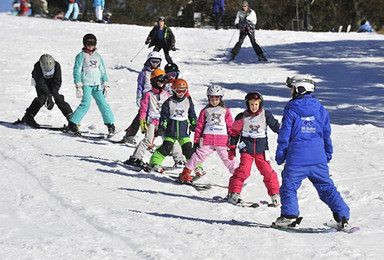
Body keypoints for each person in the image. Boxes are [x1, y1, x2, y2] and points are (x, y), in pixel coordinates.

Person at [274, 75, 351, 231]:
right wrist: (327, 153)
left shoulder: (291, 109)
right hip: (318, 157)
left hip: (297, 158)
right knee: (326, 187)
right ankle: (342, 216)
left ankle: (289, 216)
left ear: (300, 90)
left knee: (289, 186)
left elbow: (284, 135)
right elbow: (326, 134)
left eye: (293, 88)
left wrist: (281, 155)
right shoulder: (320, 109)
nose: (291, 91)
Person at [226, 92, 280, 206]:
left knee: (268, 172)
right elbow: (234, 133)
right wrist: (232, 148)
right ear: (247, 104)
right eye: (251, 104)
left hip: (261, 149)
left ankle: (275, 194)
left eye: (256, 104)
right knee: (243, 171)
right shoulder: (242, 117)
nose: (254, 107)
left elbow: (276, 127)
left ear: (260, 104)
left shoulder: (266, 115)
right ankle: (233, 193)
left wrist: (287, 134)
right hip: (246, 149)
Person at [124, 69, 184, 167]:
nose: (161, 83)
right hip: (151, 121)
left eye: (163, 81)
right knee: (148, 140)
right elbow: (143, 109)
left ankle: (179, 160)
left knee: (171, 140)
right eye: (159, 81)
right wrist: (142, 121)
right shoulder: (148, 94)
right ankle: (136, 157)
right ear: (154, 81)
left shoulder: (167, 94)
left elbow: (170, 108)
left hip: (163, 122)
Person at [178, 85, 237, 182]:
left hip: (222, 141)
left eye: (216, 99)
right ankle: (185, 173)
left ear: (220, 98)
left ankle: (237, 176)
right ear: (208, 98)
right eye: (212, 98)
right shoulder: (205, 111)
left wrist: (233, 139)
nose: (214, 101)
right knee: (198, 156)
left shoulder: (225, 111)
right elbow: (199, 127)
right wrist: (196, 141)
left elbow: (230, 126)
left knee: (228, 158)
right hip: (207, 140)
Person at [67, 33, 115, 136]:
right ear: (84, 44)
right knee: (86, 103)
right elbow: (76, 70)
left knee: (103, 104)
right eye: (88, 43)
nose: (91, 46)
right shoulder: (81, 56)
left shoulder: (98, 56)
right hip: (86, 84)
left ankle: (110, 124)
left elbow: (102, 70)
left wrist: (105, 83)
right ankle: (73, 122)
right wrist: (78, 85)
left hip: (97, 84)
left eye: (93, 43)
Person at [149, 79, 197, 173]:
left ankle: (196, 166)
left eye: (183, 91)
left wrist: (194, 124)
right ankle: (154, 162)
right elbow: (164, 117)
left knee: (188, 149)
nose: (181, 93)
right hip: (171, 130)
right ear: (173, 90)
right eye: (178, 91)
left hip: (184, 131)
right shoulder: (168, 102)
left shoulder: (188, 102)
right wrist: (162, 127)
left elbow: (192, 115)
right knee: (166, 147)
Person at [119, 51, 163, 145]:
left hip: (156, 98)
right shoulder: (144, 73)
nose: (155, 64)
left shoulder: (159, 73)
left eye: (157, 62)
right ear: (148, 61)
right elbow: (140, 85)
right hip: (146, 98)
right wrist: (139, 96)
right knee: (141, 117)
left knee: (155, 118)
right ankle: (130, 135)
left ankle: (151, 139)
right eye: (153, 62)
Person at [21, 54, 73, 128]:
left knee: (58, 98)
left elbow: (58, 81)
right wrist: (48, 96)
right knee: (42, 98)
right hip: (39, 81)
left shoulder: (57, 66)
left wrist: (53, 94)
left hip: (52, 82)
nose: (48, 74)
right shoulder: (37, 67)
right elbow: (40, 83)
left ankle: (71, 118)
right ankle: (28, 116)